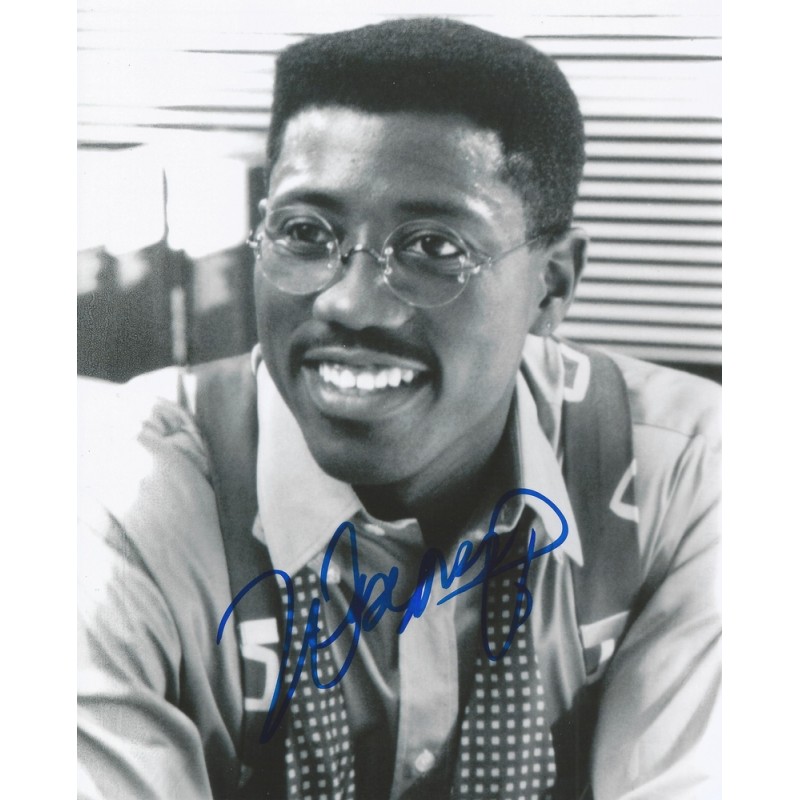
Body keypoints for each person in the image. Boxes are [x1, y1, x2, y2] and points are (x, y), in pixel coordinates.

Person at [77, 17, 721, 800]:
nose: (349, 303)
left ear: (552, 285)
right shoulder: (112, 492)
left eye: (435, 247)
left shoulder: (689, 472)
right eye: (305, 232)